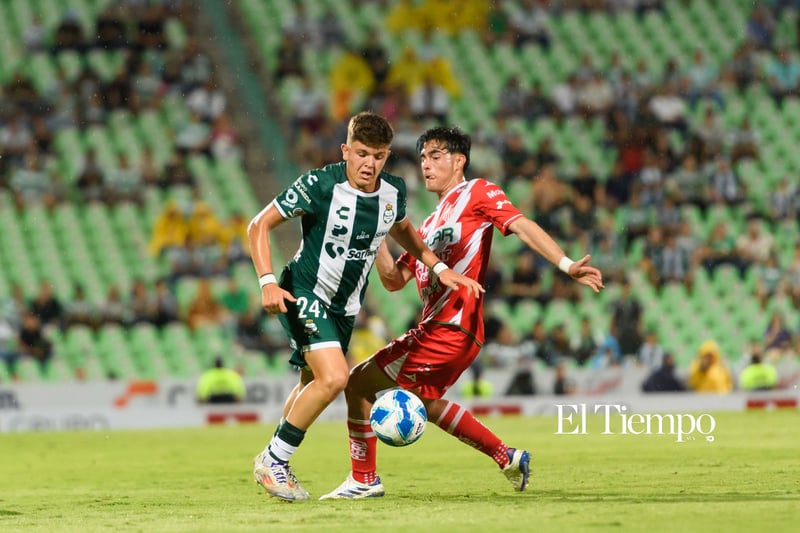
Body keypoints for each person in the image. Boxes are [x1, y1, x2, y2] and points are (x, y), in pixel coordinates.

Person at [319, 126, 603, 500]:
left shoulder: (478, 192)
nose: (426, 165)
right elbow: (392, 279)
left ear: (459, 160)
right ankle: (507, 456)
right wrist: (374, 228)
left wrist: (566, 265)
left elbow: (522, 226)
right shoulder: (429, 222)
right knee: (424, 401)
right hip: (441, 328)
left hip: (452, 326)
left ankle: (364, 479)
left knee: (357, 383)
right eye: (422, 158)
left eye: (435, 156)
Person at [247, 112, 482, 501]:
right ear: (346, 150)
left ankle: (274, 456)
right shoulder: (320, 184)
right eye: (360, 154)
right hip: (306, 291)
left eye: (377, 156)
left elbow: (405, 231)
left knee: (312, 382)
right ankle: (275, 460)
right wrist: (267, 281)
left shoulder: (392, 192)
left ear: (387, 156)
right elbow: (259, 224)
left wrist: (438, 267)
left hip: (345, 308)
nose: (368, 164)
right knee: (336, 378)